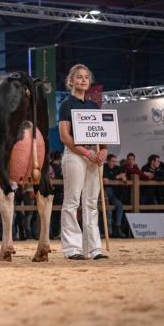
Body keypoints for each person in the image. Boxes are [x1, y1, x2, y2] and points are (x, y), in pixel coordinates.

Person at [57, 63, 108, 260]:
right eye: (79, 77)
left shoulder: (94, 106)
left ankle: (94, 248)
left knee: (91, 203)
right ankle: (72, 248)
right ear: (71, 81)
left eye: (86, 77)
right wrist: (87, 152)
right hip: (75, 156)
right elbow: (65, 136)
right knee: (71, 201)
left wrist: (103, 150)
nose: (83, 80)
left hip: (94, 157)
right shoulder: (66, 105)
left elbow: (102, 133)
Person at [102, 154, 128, 238]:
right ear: (108, 161)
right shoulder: (104, 167)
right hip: (103, 194)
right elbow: (105, 179)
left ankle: (118, 227)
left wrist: (123, 178)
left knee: (120, 205)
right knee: (108, 210)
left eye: (115, 161)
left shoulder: (117, 168)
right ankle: (109, 231)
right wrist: (117, 177)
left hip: (113, 194)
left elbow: (123, 176)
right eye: (112, 161)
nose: (114, 163)